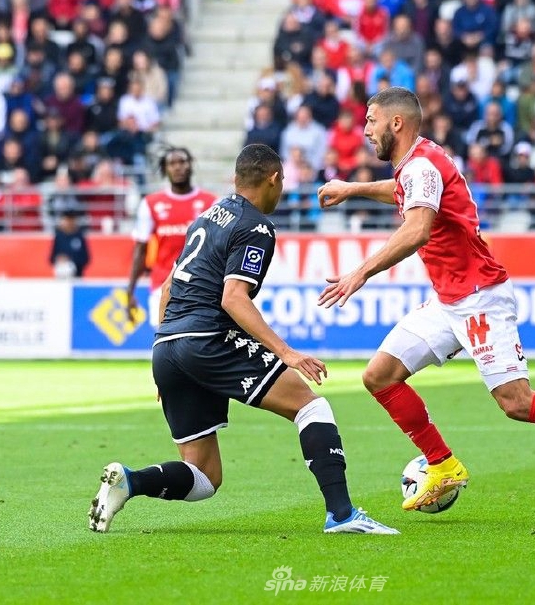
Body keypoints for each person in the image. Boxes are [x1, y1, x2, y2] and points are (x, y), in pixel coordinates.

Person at [316, 87, 535, 511]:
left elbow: (417, 229)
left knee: (516, 402)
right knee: (379, 376)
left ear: (396, 122)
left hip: (480, 298)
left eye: (371, 121)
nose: (366, 130)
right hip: (449, 300)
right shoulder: (418, 164)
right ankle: (442, 465)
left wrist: (360, 272)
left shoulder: (422, 165)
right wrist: (353, 188)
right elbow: (402, 190)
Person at [89, 144, 398, 536]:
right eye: (281, 183)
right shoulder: (256, 226)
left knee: (205, 476)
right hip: (207, 339)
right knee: (310, 406)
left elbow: (167, 287)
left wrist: (164, 356)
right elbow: (233, 298)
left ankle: (130, 482)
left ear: (236, 179)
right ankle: (342, 514)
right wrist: (286, 353)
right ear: (274, 179)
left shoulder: (205, 218)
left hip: (167, 345)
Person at [125, 146, 218, 327]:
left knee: (195, 339)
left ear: (190, 165)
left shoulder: (211, 203)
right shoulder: (151, 204)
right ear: (165, 169)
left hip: (199, 286)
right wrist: (130, 292)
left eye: (182, 162)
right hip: (162, 285)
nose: (178, 167)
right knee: (163, 339)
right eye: (172, 163)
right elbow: (140, 250)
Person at [49, 209, 90, 278]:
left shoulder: (79, 237)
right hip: (61, 276)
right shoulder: (59, 237)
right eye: (66, 220)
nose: (68, 223)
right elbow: (51, 258)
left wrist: (70, 260)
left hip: (77, 276)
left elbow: (86, 259)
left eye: (71, 220)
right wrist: (58, 259)